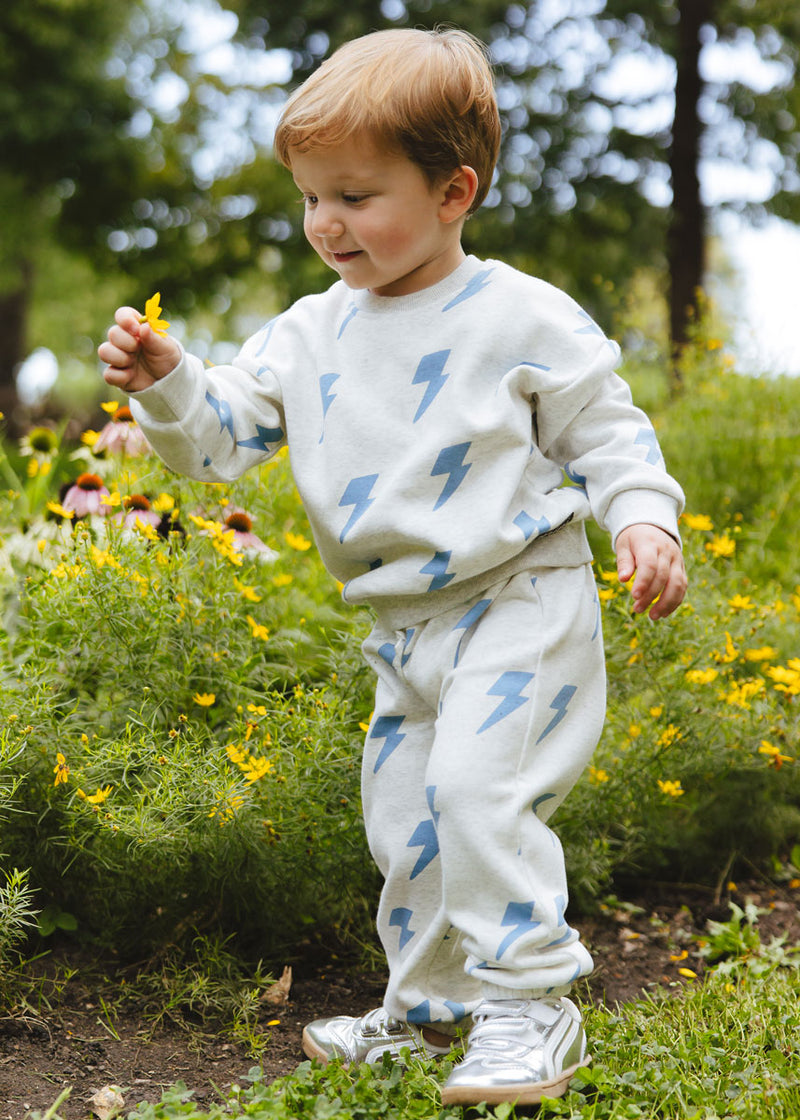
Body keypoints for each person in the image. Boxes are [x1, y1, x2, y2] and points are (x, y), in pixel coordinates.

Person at [98, 26, 687, 1106]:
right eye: (312, 198)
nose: (326, 223)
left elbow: (607, 431)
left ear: (453, 189)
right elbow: (222, 439)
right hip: (402, 628)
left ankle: (531, 1004)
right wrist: (171, 380)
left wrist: (642, 520)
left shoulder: (519, 314)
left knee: (476, 793)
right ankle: (430, 1014)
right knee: (407, 826)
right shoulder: (308, 335)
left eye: (357, 197)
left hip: (518, 598)